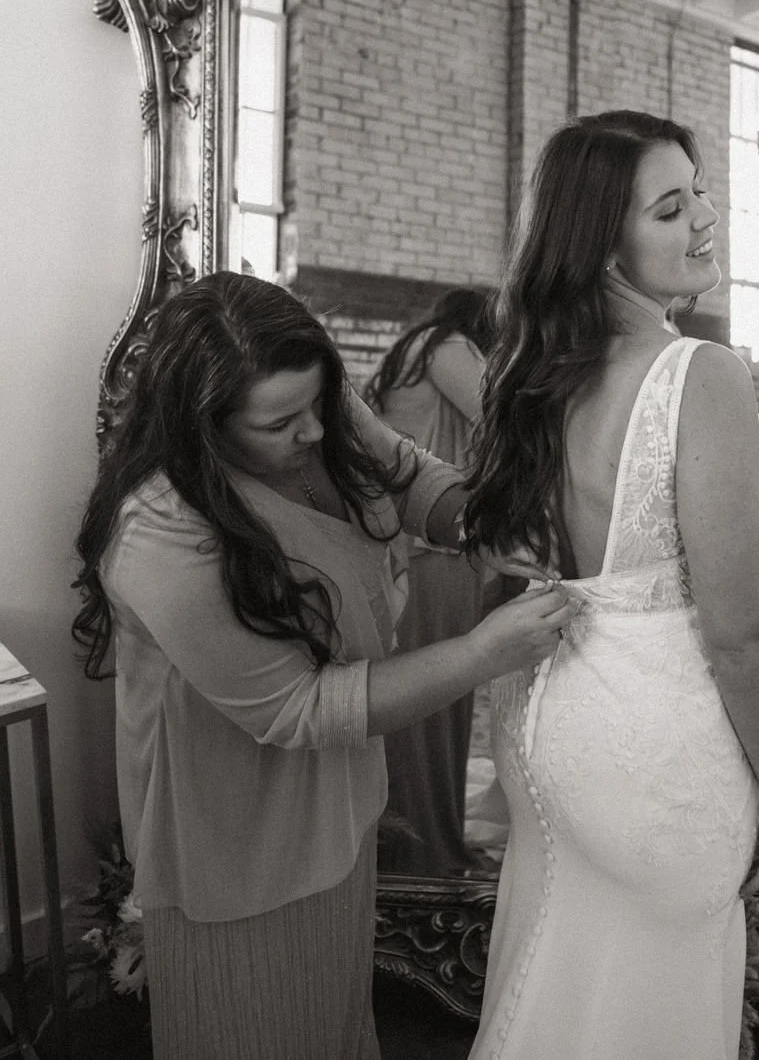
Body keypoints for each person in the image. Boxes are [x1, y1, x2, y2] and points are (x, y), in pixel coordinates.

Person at [70, 272, 571, 1060]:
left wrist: (475, 521)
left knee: (332, 1020)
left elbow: (406, 475)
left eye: (318, 405)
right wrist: (483, 652)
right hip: (235, 831)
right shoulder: (160, 530)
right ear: (201, 424)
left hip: (334, 804)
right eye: (279, 423)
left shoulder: (318, 412)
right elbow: (297, 708)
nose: (313, 430)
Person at [461, 111, 759, 1060]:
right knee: (659, 1008)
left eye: (698, 187)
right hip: (662, 741)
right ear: (602, 249)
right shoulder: (701, 374)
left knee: (566, 971)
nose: (705, 215)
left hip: (557, 720)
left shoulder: (538, 375)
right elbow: (742, 632)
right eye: (669, 206)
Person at [365, 287, 496, 875]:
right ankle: (426, 851)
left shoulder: (414, 348)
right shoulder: (446, 347)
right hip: (431, 548)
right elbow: (500, 413)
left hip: (417, 546)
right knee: (434, 702)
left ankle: (431, 838)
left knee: (440, 701)